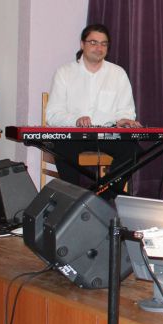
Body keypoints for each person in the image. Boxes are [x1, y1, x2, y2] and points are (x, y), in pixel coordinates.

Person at [45, 24, 141, 199]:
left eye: (104, 44)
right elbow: (53, 114)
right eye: (94, 42)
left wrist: (124, 120)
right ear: (82, 44)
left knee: (133, 150)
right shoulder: (64, 73)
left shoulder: (118, 73)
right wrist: (76, 120)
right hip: (74, 135)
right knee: (61, 146)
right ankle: (74, 200)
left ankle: (104, 196)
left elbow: (126, 111)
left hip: (107, 134)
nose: (99, 48)